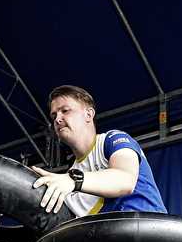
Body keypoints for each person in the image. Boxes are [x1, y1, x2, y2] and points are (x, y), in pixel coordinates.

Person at [31, 85, 167, 215]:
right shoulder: (70, 177)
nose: (57, 119)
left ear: (89, 115)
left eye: (65, 111)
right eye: (54, 115)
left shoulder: (112, 139)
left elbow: (125, 180)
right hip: (110, 235)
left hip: (150, 230)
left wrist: (73, 180)